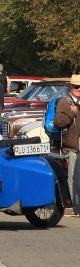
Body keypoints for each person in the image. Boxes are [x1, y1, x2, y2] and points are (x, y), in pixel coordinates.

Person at [53, 74, 80, 217]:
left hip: (78, 143)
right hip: (71, 144)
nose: (79, 89)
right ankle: (73, 207)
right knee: (74, 177)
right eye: (76, 87)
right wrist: (72, 112)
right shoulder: (65, 102)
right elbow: (59, 122)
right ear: (71, 87)